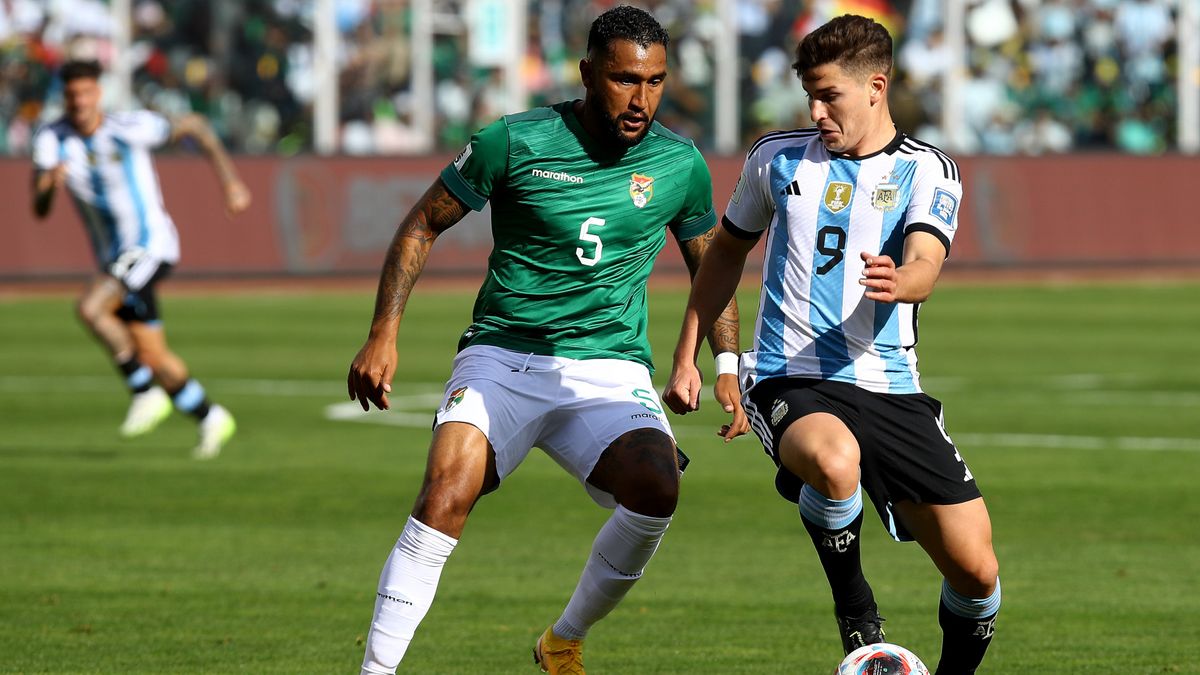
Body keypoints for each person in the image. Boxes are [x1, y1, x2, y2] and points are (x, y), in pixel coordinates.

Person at [346, 6, 747, 674]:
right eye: (623, 80)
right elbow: (421, 223)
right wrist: (383, 332)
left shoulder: (679, 163)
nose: (641, 99)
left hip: (610, 369)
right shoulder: (514, 140)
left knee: (657, 486)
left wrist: (725, 360)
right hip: (502, 355)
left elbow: (714, 266)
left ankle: (563, 639)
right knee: (446, 491)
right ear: (587, 72)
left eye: (654, 82)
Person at [663, 15, 1000, 675]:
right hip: (791, 378)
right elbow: (724, 254)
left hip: (892, 387)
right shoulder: (776, 159)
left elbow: (927, 262)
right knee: (834, 459)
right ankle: (857, 614)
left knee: (977, 572)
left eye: (829, 96)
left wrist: (902, 279)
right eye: (808, 96)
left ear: (876, 87)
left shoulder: (928, 171)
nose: (815, 111)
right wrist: (692, 355)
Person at [31, 59, 250, 459]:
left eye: (85, 92)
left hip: (150, 246)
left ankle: (142, 390)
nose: (78, 101)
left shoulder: (128, 127)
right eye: (71, 94)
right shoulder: (51, 138)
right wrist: (49, 186)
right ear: (63, 97)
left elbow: (197, 126)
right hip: (115, 258)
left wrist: (231, 182)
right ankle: (211, 416)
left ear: (98, 93)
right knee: (153, 354)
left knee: (91, 309)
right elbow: (40, 207)